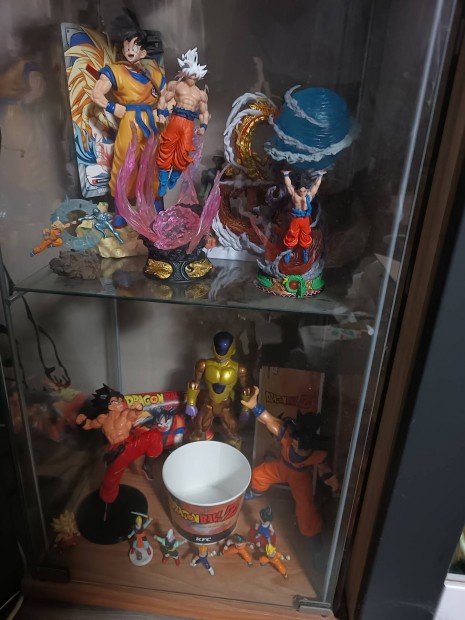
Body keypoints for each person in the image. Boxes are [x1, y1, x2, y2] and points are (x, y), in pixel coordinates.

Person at [243, 386, 338, 539]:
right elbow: (269, 420)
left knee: (305, 507)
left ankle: (312, 532)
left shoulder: (317, 454)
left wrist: (331, 480)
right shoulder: (288, 437)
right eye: (294, 442)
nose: (295, 445)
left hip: (300, 477)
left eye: (300, 446)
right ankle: (255, 493)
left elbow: (323, 468)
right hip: (282, 467)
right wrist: (254, 406)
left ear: (310, 445)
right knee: (258, 475)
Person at [91, 28, 165, 207]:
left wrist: (162, 112)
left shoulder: (154, 74)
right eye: (127, 47)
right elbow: (96, 94)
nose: (130, 50)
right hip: (129, 120)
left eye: (134, 47)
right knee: (125, 161)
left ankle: (155, 204)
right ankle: (122, 207)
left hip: (151, 122)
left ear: (143, 52)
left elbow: (167, 97)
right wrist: (112, 107)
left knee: (152, 163)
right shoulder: (115, 71)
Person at [75, 385, 163, 506]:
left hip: (130, 444)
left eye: (121, 401)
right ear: (109, 405)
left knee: (154, 435)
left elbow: (133, 414)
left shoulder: (124, 414)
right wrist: (81, 422)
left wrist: (138, 409)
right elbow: (89, 425)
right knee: (109, 481)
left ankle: (147, 465)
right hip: (116, 452)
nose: (121, 404)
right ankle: (107, 504)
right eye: (116, 402)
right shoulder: (102, 419)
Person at [155, 48, 209, 196]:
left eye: (195, 75)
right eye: (191, 73)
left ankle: (174, 176)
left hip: (189, 124)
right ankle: (163, 181)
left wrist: (203, 126)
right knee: (166, 148)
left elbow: (204, 112)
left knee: (184, 151)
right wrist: (161, 114)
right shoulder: (176, 85)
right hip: (176, 119)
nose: (193, 77)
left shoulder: (201, 94)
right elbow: (163, 99)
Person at [185, 331, 252, 447]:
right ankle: (197, 453)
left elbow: (246, 390)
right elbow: (194, 383)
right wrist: (190, 404)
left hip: (226, 404)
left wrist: (246, 410)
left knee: (232, 433)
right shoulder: (203, 364)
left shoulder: (239, 369)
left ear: (233, 350)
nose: (221, 352)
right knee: (198, 430)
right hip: (209, 402)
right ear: (212, 347)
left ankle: (232, 455)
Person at [281, 169, 324, 263]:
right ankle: (289, 251)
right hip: (296, 218)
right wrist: (286, 175)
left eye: (304, 190)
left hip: (305, 218)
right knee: (292, 233)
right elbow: (289, 186)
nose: (302, 192)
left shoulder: (309, 195)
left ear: (307, 189)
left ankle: (305, 251)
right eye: (300, 190)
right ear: (297, 189)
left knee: (305, 234)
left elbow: (316, 185)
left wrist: (320, 175)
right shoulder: (294, 195)